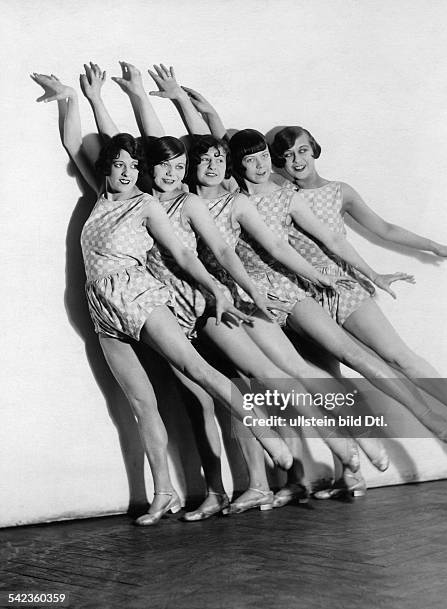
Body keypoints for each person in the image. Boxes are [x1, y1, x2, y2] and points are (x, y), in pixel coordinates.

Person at [84, 61, 383, 515]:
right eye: (167, 165)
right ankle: (241, 487)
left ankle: (347, 451)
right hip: (161, 308)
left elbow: (220, 250)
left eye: (180, 165)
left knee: (271, 375)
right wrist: (118, 98)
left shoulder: (188, 198)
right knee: (210, 397)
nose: (172, 170)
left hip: (206, 302)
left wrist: (242, 291)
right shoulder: (143, 194)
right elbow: (134, 149)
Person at [31, 71, 295, 526]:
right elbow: (73, 142)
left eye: (136, 168)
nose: (128, 173)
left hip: (140, 294)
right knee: (141, 405)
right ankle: (164, 493)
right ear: (109, 169)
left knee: (199, 371)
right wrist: (73, 98)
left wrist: (215, 287)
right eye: (121, 166)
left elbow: (183, 255)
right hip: (101, 308)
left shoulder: (147, 205)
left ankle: (269, 437)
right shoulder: (101, 198)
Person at [268, 125, 447, 440]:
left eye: (301, 150)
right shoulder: (275, 194)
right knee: (329, 380)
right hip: (302, 296)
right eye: (287, 155)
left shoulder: (340, 191)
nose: (296, 161)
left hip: (344, 285)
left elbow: (385, 228)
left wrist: (433, 245)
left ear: (314, 148)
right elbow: (240, 154)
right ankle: (349, 474)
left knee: (397, 356)